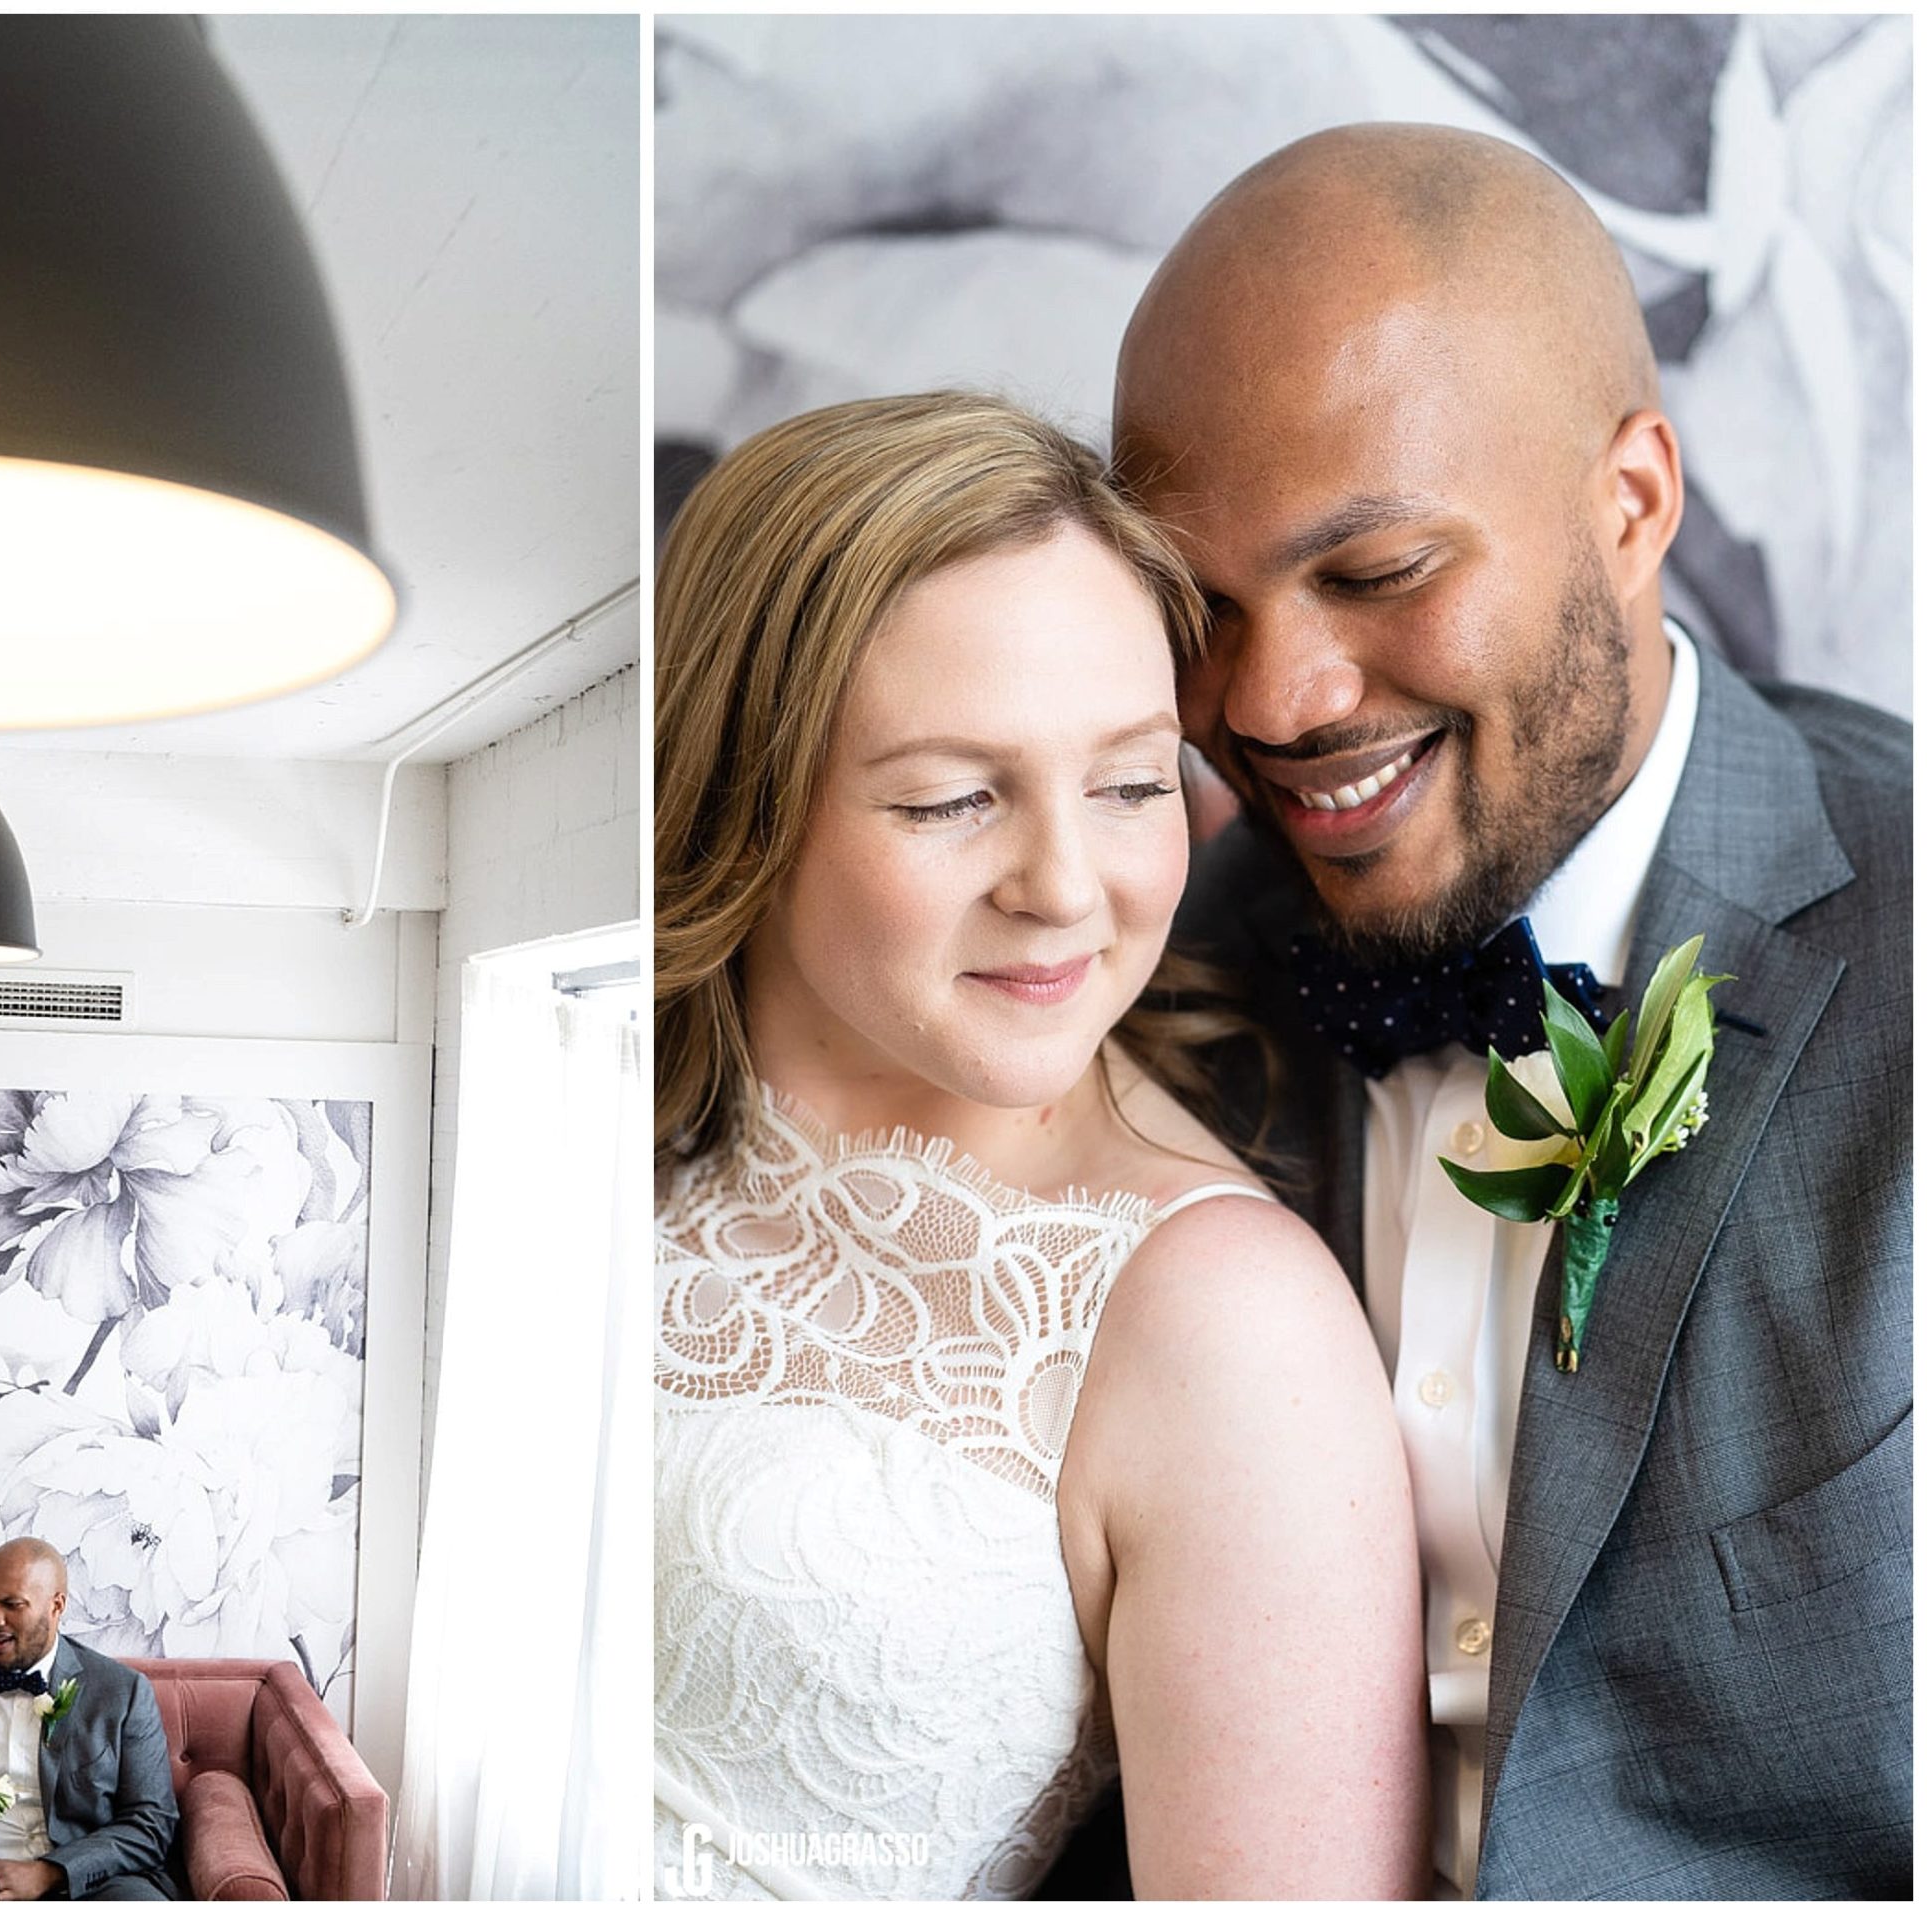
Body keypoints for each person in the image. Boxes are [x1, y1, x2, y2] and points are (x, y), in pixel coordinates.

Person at [1116, 122, 1911, 1898]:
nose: (1271, 699)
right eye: (1199, 606)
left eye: (1378, 570)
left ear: (1630, 504)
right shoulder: (1138, 963)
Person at [652, 391, 1428, 1899]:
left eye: (1134, 782)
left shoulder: (1223, 1323)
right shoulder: (607, 1106)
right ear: (746, 793)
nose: (1068, 886)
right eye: (952, 796)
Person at [0, 1537, 181, 1902]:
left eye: (12, 1605)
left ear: (57, 1606)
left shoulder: (122, 1692)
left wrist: (50, 1872)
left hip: (85, 1886)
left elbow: (151, 1824)